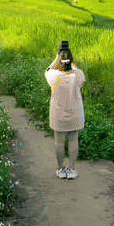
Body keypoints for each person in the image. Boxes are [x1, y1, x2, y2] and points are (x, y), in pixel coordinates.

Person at [45, 39, 85, 179]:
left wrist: (58, 57)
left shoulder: (53, 75)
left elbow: (48, 69)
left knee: (59, 141)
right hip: (75, 113)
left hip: (58, 114)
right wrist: (70, 59)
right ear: (71, 58)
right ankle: (72, 170)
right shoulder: (78, 74)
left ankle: (61, 170)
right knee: (73, 140)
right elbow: (75, 70)